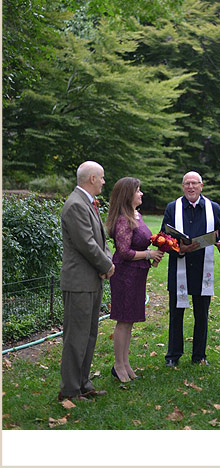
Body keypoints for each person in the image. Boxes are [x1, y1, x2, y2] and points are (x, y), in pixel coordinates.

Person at [58, 161, 115, 402]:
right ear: (92, 178)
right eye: (101, 178)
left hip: (91, 279)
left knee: (89, 334)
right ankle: (69, 390)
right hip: (79, 282)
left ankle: (83, 383)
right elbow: (86, 244)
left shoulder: (86, 203)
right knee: (76, 337)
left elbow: (99, 241)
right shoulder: (75, 205)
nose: (104, 181)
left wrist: (106, 262)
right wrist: (107, 265)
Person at [161, 171, 220, 367]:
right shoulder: (172, 208)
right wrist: (178, 248)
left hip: (202, 268)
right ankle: (173, 356)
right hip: (179, 267)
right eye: (187, 183)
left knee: (202, 314)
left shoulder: (213, 208)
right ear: (183, 187)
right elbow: (163, 237)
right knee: (176, 315)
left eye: (194, 183)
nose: (191, 187)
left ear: (201, 186)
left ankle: (199, 355)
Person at [106, 177, 164, 382]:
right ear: (128, 194)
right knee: (123, 320)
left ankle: (125, 363)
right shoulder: (123, 218)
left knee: (130, 320)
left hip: (138, 274)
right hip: (125, 275)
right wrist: (148, 254)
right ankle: (118, 365)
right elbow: (124, 252)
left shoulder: (135, 214)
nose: (141, 194)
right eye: (138, 190)